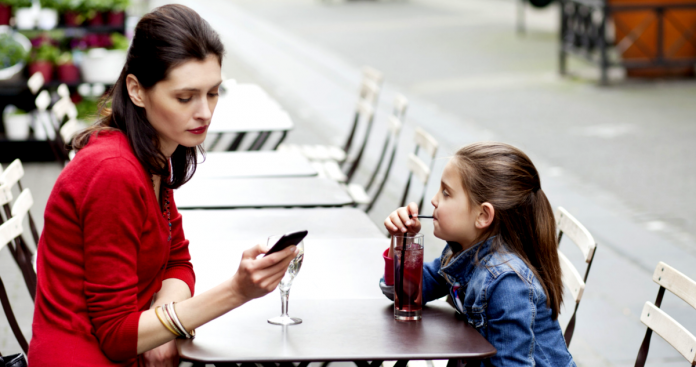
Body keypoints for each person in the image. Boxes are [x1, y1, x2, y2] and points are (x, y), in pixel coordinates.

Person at [28, 5, 298, 367]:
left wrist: (164, 320)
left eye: (213, 93)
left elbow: (177, 261)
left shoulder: (152, 153)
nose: (204, 112)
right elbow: (117, 337)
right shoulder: (114, 171)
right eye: (185, 98)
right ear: (137, 91)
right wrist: (237, 291)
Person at [382, 142, 576, 367]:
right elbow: (407, 294)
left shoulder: (507, 282)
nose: (434, 200)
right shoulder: (461, 252)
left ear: (483, 215)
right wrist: (403, 242)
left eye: (446, 193)